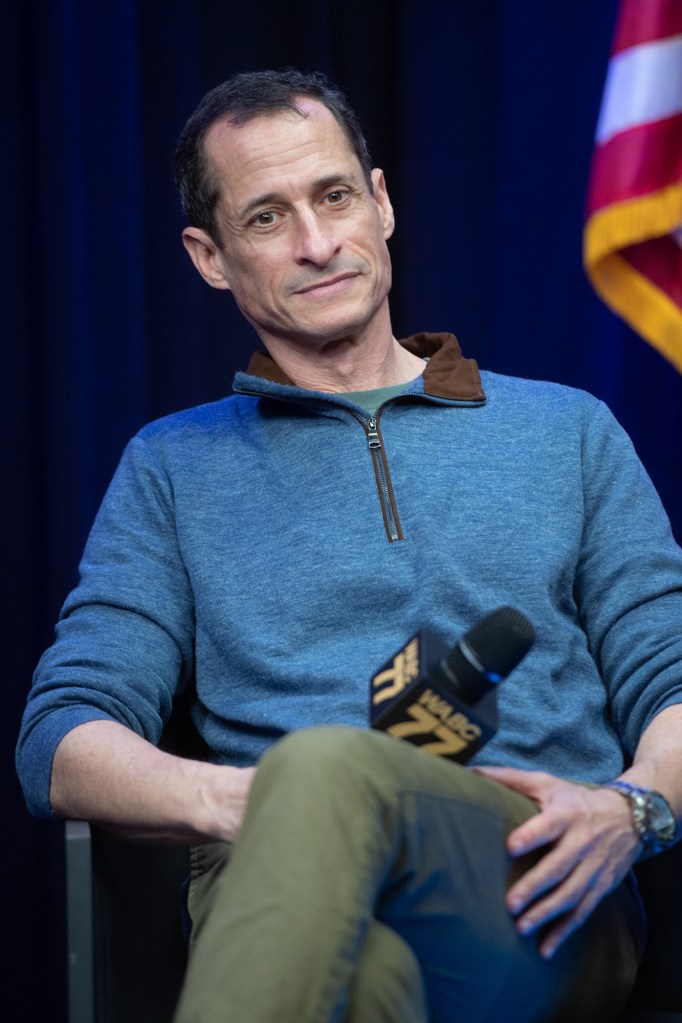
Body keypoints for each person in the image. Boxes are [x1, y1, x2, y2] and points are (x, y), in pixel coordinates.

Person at [16, 68, 682, 1022]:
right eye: (266, 219)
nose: (318, 243)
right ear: (210, 257)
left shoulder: (569, 432)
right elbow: (62, 740)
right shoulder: (170, 468)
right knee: (362, 974)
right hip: (276, 891)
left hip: (528, 885)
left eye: (334, 197)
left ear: (380, 203)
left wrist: (634, 806)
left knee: (324, 770)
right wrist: (275, 804)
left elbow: (674, 674)